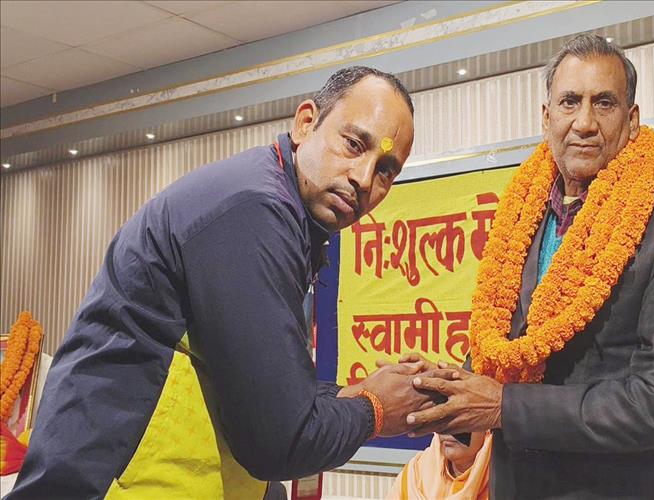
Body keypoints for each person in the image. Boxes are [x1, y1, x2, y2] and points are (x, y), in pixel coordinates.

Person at [8, 66, 431, 499]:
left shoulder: (287, 217)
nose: (364, 178)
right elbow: (278, 442)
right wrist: (375, 408)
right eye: (354, 144)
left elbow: (260, 386)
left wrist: (357, 393)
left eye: (386, 170)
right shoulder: (254, 211)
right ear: (306, 123)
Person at [403, 34, 654, 498]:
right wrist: (448, 389)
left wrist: (504, 407)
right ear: (546, 116)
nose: (585, 123)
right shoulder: (520, 215)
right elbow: (507, 354)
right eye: (570, 101)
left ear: (632, 120)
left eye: (604, 103)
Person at [387, 431, 492, 500]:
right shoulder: (415, 474)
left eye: (461, 418)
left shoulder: (499, 481)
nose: (449, 429)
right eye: (444, 418)